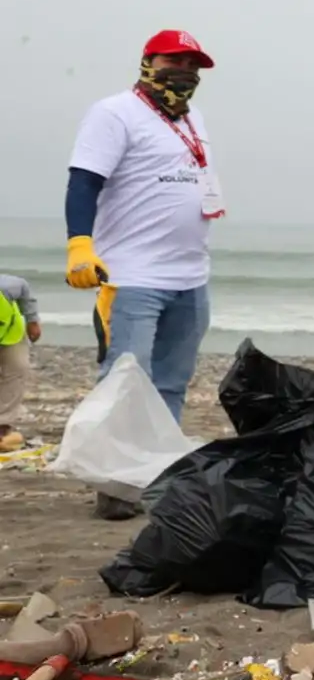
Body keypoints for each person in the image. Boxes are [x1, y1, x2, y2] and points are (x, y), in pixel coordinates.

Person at [65, 30, 223, 426]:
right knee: (122, 384)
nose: (184, 72)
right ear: (148, 63)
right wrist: (79, 245)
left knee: (171, 384)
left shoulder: (192, 118)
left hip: (191, 279)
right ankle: (113, 482)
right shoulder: (114, 113)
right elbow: (84, 181)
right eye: (174, 62)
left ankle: (154, 472)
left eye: (192, 66)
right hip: (132, 278)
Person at [0, 274, 41, 451]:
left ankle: (3, 425)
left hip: (11, 334)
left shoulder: (7, 286)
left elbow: (23, 286)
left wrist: (32, 321)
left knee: (17, 371)